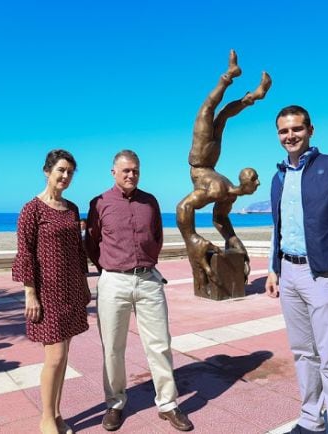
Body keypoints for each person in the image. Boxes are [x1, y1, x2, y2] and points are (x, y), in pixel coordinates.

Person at [264, 105, 328, 434]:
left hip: (326, 276)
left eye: (296, 129)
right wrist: (273, 268)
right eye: (283, 131)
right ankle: (311, 419)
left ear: (310, 129)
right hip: (290, 274)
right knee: (302, 353)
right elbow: (277, 227)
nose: (290, 136)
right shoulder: (279, 176)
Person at [85, 150, 194, 432]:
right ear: (113, 173)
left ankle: (168, 404)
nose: (131, 175)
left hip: (148, 280)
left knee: (159, 345)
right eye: (125, 171)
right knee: (112, 347)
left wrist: (145, 263)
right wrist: (109, 268)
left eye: (135, 170)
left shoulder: (150, 201)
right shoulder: (99, 203)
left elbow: (156, 237)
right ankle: (115, 403)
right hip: (113, 281)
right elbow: (91, 243)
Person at [12, 149, 91, 434]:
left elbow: (78, 250)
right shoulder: (31, 209)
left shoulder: (71, 209)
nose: (65, 176)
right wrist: (30, 293)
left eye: (70, 172)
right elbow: (25, 254)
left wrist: (84, 283)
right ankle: (45, 418)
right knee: (55, 357)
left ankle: (57, 414)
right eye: (61, 170)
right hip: (47, 291)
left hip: (71, 288)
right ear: (47, 171)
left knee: (65, 354)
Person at [176, 49, 268, 293]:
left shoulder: (224, 191)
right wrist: (193, 238)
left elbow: (217, 218)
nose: (258, 184)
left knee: (213, 111)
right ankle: (235, 81)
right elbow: (189, 209)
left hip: (203, 160)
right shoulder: (223, 189)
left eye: (255, 179)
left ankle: (239, 83)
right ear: (245, 184)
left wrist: (230, 239)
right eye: (254, 179)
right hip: (204, 161)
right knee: (215, 111)